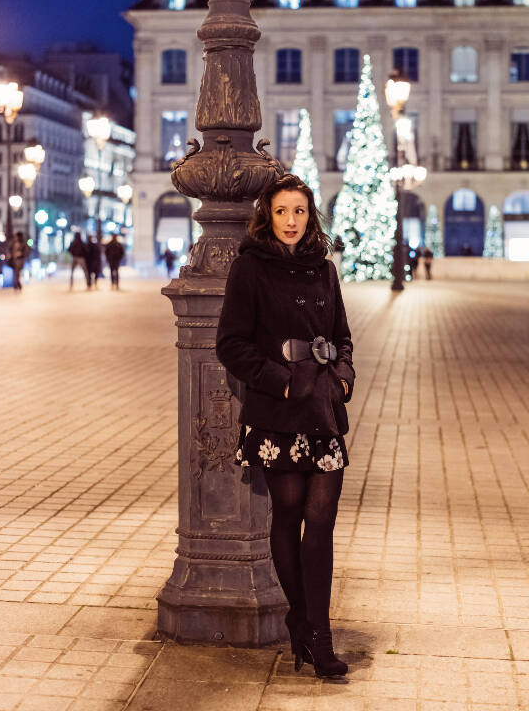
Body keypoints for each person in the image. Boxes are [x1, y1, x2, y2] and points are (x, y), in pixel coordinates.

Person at [216, 174, 355, 680]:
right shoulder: (251, 268)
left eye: (299, 212)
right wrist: (283, 382)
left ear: (309, 216)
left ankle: (318, 632)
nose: (291, 221)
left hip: (321, 414)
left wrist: (341, 377)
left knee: (322, 520)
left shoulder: (324, 269)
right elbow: (230, 344)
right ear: (266, 215)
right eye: (282, 212)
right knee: (288, 514)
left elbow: (342, 337)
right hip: (277, 415)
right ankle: (303, 622)